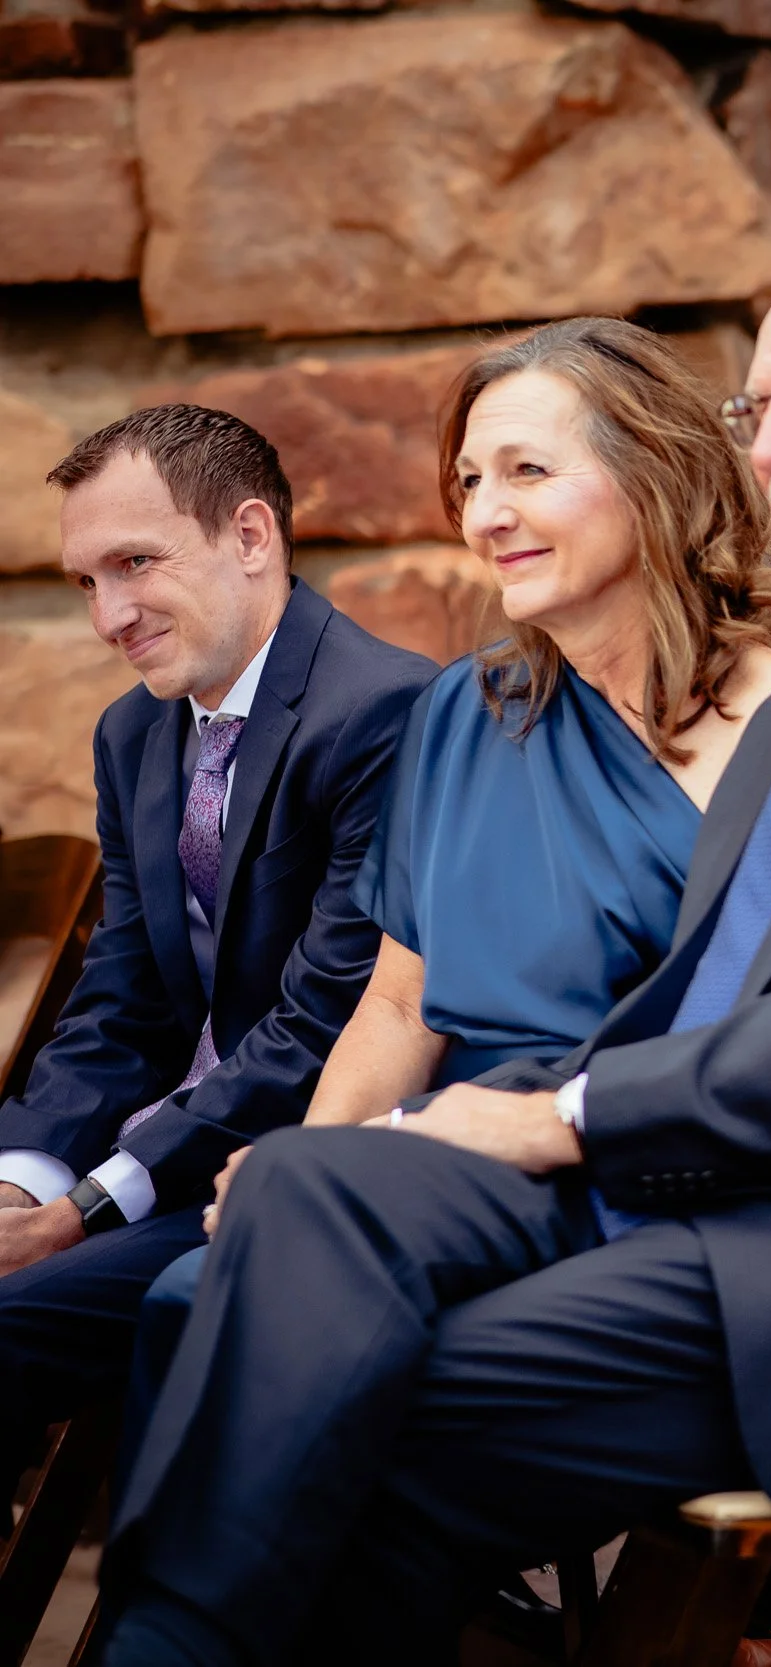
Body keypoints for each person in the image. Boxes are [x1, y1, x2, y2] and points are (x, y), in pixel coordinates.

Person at [95, 254, 771, 1667]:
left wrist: (557, 1114)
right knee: (311, 1184)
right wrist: (458, 1116)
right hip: (706, 1193)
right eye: (764, 402)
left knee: (339, 1405)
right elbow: (696, 1005)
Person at [119, 317, 771, 1599]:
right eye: (468, 481)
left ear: (656, 472)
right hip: (431, 1168)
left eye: (526, 472)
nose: (485, 512)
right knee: (197, 1290)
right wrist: (300, 1169)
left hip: (638, 1177)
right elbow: (399, 1001)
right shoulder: (468, 711)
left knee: (283, 1355)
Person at [0, 406, 434, 1464]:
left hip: (292, 1168)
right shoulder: (133, 732)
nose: (109, 614)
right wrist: (25, 1181)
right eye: (86, 581)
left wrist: (82, 1209)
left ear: (250, 536)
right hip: (149, 1159)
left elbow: (324, 1023)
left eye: (135, 562)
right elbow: (124, 996)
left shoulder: (385, 712)